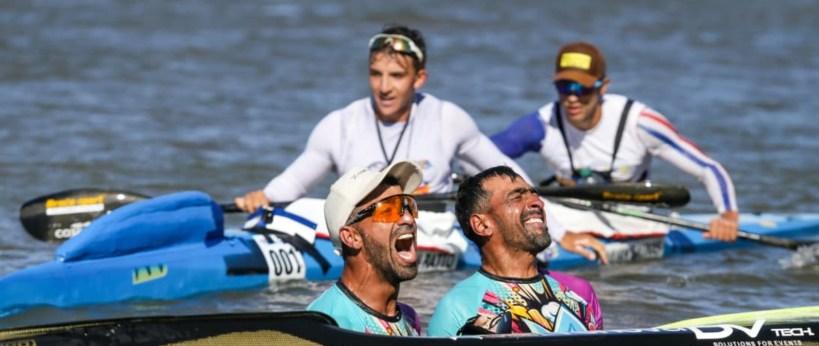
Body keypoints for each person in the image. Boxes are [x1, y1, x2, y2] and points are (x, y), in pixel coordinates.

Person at [235, 25, 608, 263]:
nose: (384, 86)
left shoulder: (448, 119)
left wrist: (558, 233)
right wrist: (261, 200)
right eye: (376, 74)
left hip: (431, 236)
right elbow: (292, 186)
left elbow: (511, 178)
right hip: (363, 236)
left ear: (419, 78)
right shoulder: (339, 125)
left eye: (396, 76)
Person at [491, 41, 740, 242]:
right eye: (565, 87)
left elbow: (708, 168)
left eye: (582, 88)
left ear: (603, 87)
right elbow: (482, 154)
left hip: (633, 220)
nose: (572, 98)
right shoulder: (542, 124)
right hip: (566, 216)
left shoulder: (640, 122)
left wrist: (728, 216)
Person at [428, 166, 603, 336]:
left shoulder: (580, 292)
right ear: (482, 225)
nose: (538, 202)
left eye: (534, 194)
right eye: (516, 197)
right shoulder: (458, 307)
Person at [307, 161, 423, 335]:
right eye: (388, 209)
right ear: (351, 237)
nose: (408, 219)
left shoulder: (410, 318)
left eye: (408, 206)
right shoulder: (326, 324)